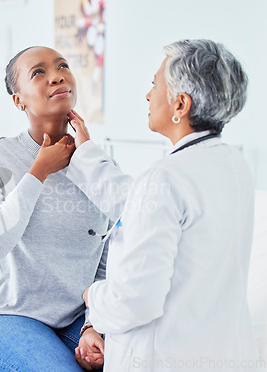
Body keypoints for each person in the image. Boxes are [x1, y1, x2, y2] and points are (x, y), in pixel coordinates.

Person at [67, 39, 260, 371]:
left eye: (155, 84)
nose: (148, 94)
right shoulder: (234, 165)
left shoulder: (164, 177)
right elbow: (139, 203)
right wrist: (85, 152)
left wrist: (92, 297)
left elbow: (134, 302)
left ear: (180, 104)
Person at [0, 46, 120, 371]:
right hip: (2, 317)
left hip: (73, 320)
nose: (57, 75)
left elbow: (105, 265)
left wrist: (93, 326)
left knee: (138, 359)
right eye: (39, 72)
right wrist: (38, 172)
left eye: (63, 66)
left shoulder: (99, 168)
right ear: (19, 100)